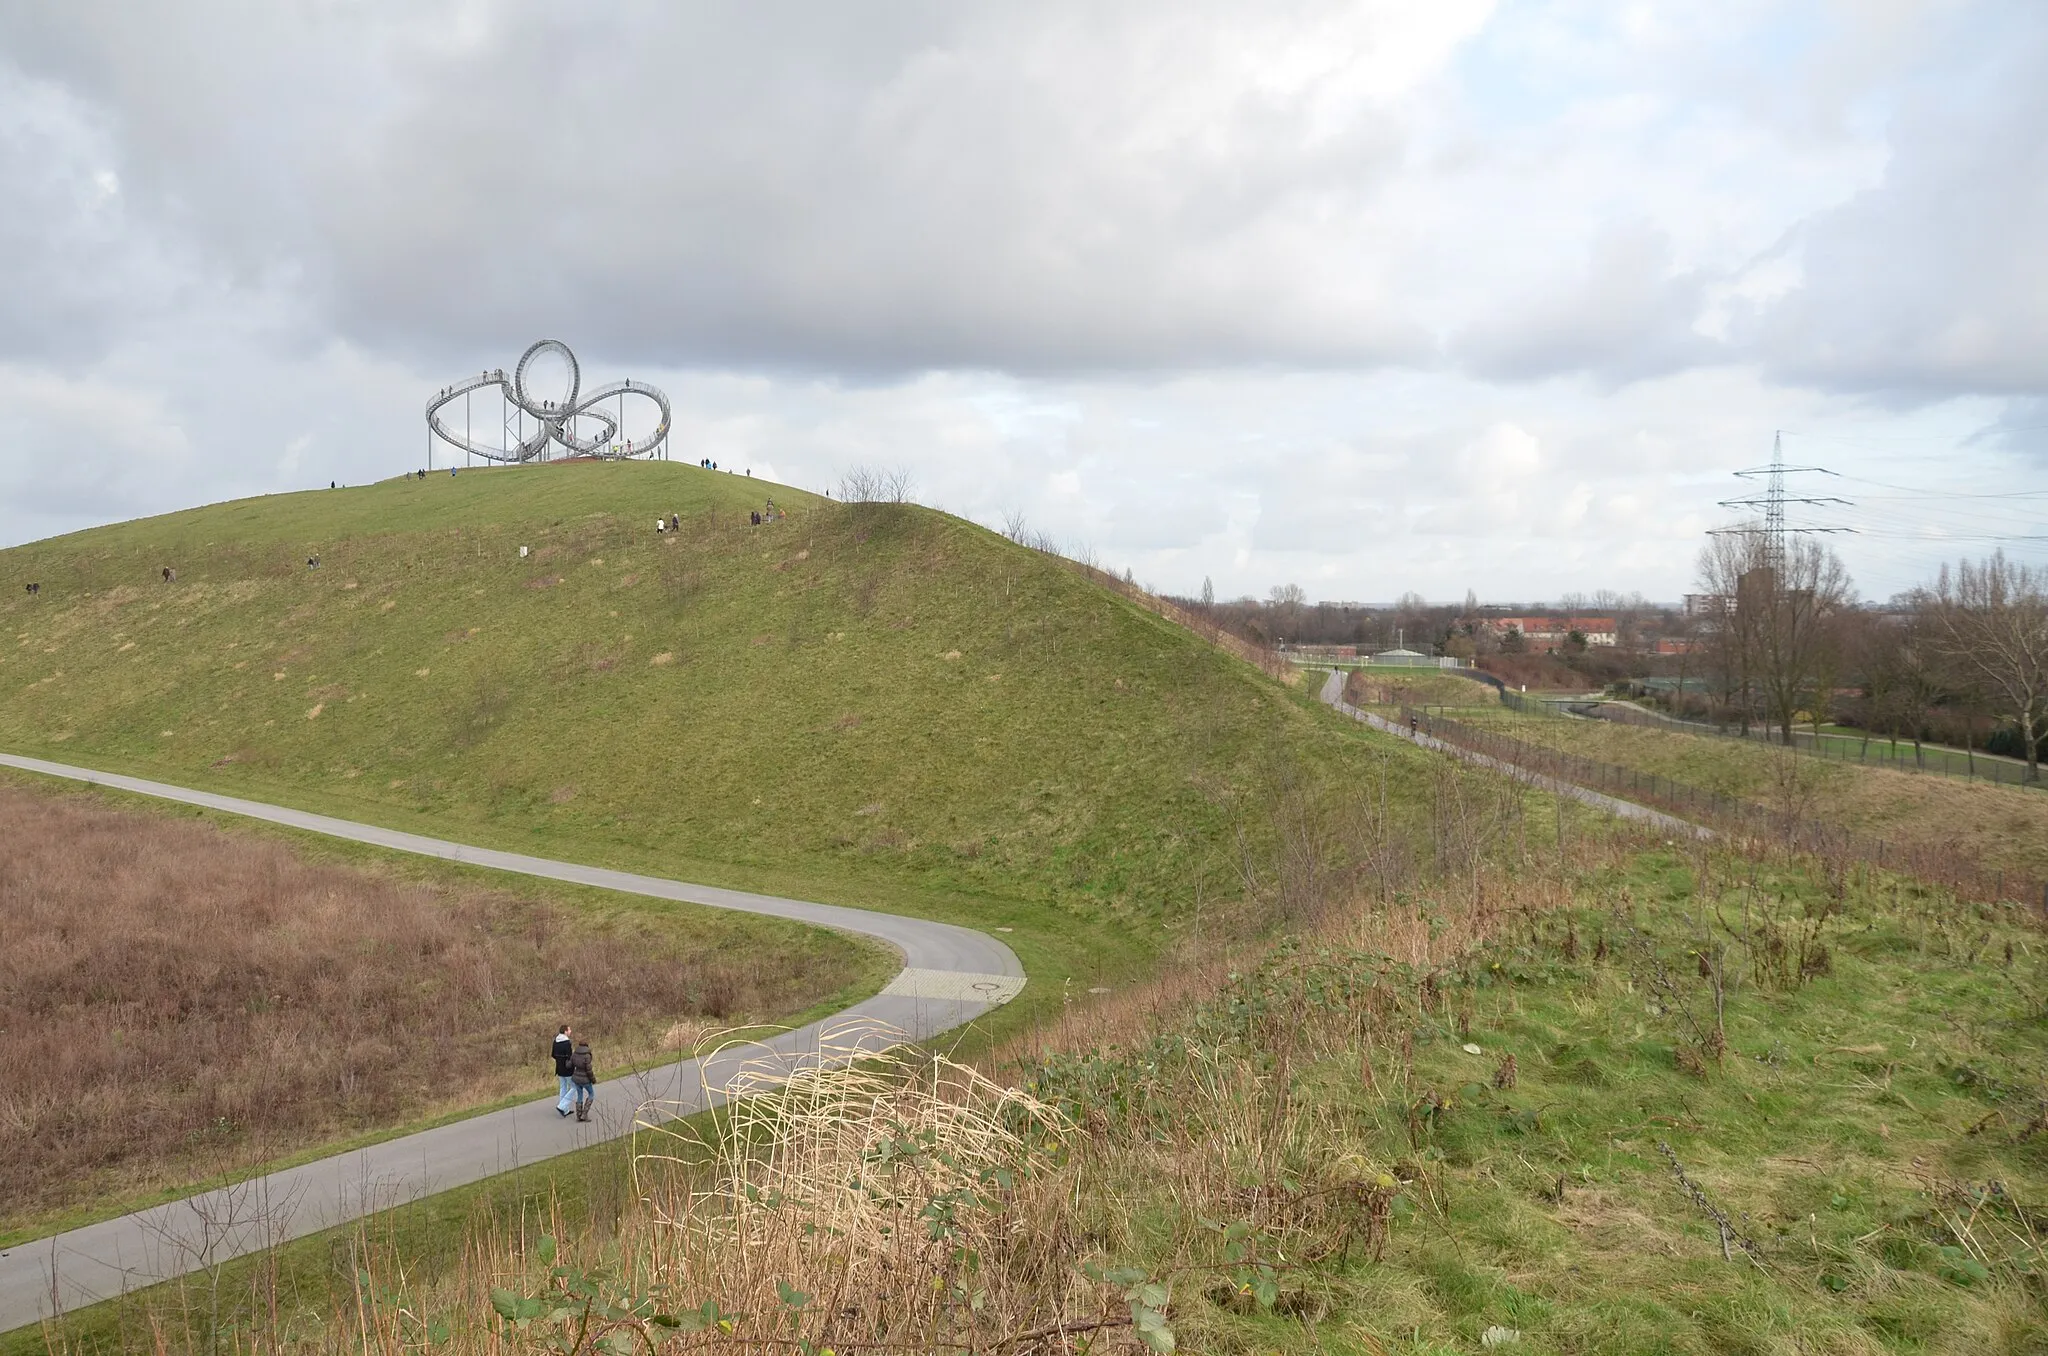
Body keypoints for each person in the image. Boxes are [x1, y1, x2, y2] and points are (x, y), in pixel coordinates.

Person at [569, 1038, 596, 1121]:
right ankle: (584, 1114)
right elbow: (589, 1070)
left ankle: (579, 1115)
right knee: (591, 1094)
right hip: (585, 1079)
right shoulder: (587, 1056)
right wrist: (593, 1079)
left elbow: (569, 1065)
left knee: (579, 1095)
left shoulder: (574, 1054)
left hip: (576, 1078)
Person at [552, 1025, 575, 1116]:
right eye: (569, 1030)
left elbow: (553, 1054)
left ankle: (565, 1110)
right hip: (567, 1068)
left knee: (563, 1087)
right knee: (574, 1087)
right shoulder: (567, 1042)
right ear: (565, 1031)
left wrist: (559, 1060)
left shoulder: (555, 1041)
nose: (570, 1031)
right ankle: (562, 1106)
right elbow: (570, 1056)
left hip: (559, 1067)